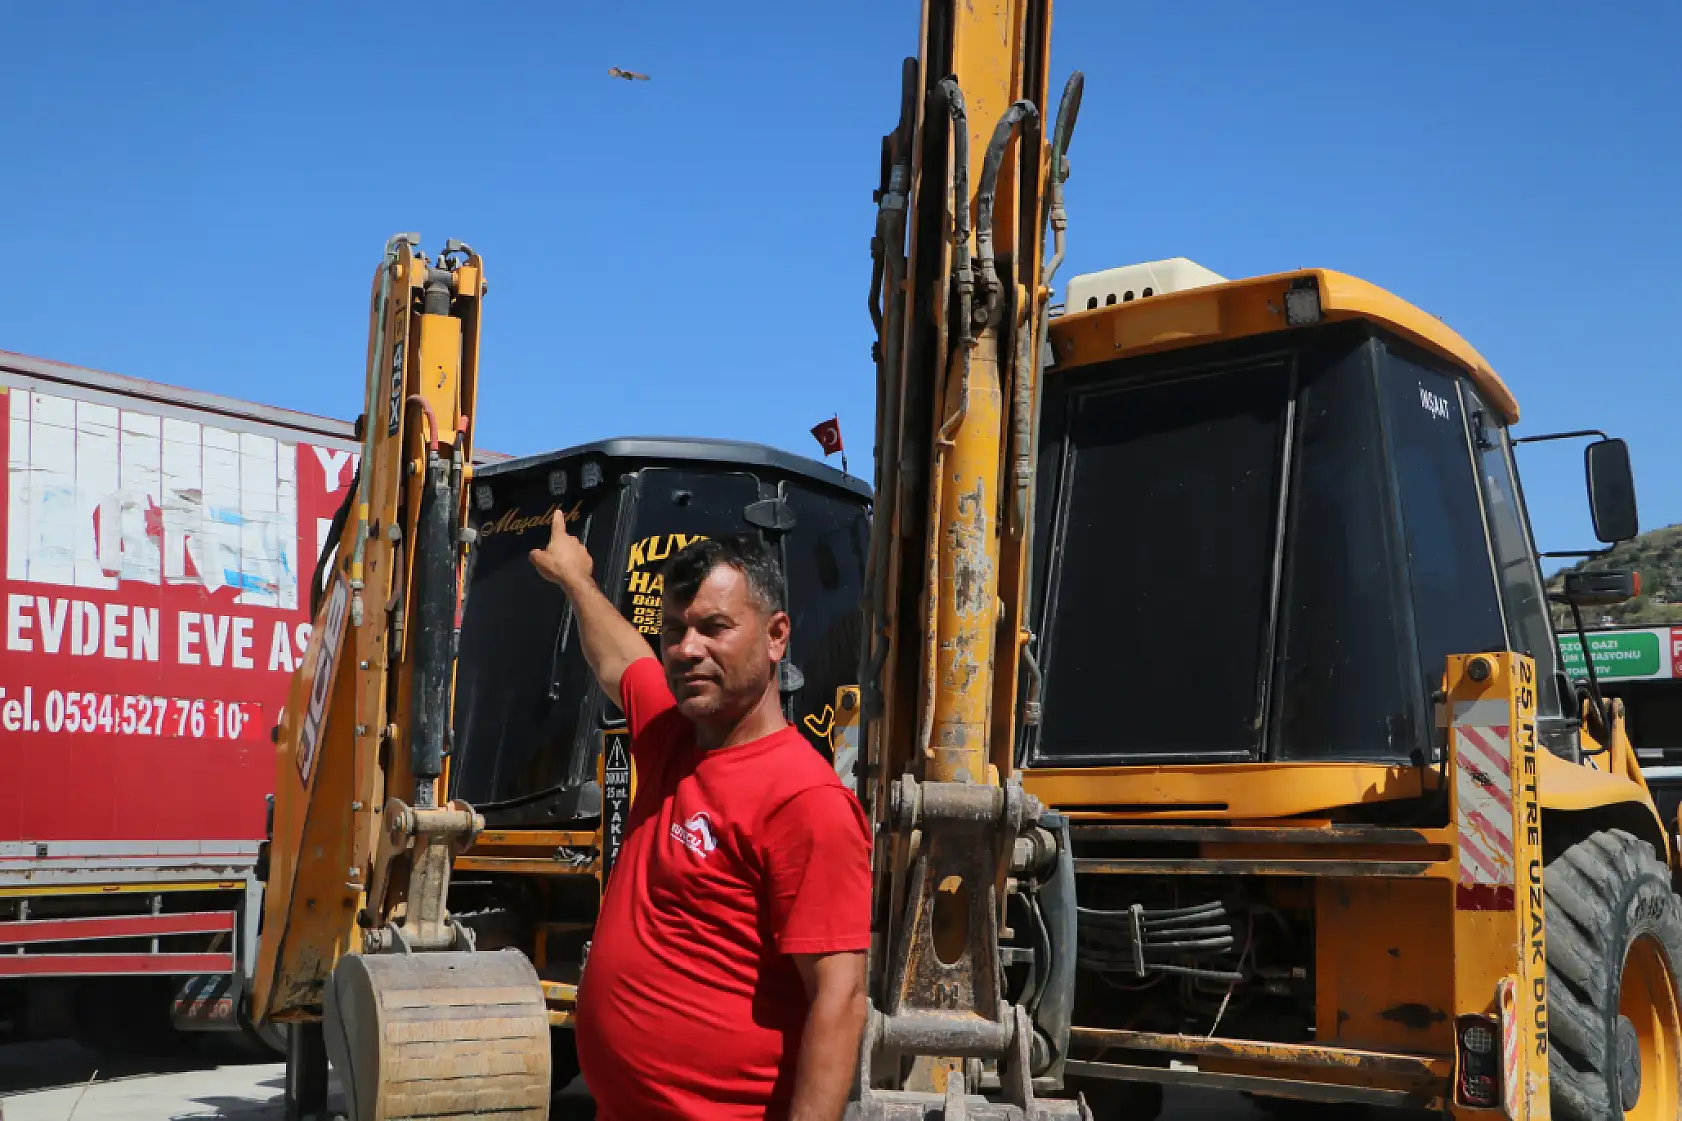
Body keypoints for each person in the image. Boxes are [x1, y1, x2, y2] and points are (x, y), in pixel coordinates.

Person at [528, 512, 872, 1121]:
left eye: (715, 628)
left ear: (776, 635)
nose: (687, 650)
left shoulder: (805, 800)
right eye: (675, 630)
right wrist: (575, 580)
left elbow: (839, 1001)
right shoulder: (673, 738)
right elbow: (619, 658)